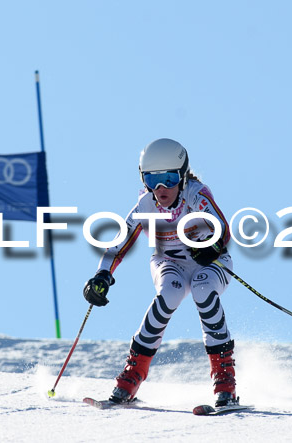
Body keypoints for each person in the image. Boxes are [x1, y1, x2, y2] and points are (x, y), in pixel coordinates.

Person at [82, 138, 238, 407]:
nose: (162, 188)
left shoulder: (196, 195)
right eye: (153, 180)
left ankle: (225, 383)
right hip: (170, 263)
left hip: (209, 263)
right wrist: (102, 275)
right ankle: (130, 378)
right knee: (169, 292)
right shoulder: (146, 205)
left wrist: (212, 246)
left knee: (202, 290)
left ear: (182, 174)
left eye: (169, 177)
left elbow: (222, 228)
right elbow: (119, 243)